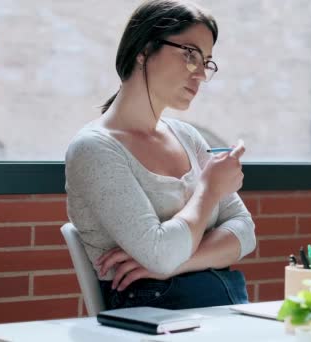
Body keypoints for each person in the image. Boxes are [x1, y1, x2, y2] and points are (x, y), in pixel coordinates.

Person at [64, 0, 256, 310]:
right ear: (144, 49)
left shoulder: (187, 137)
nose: (201, 75)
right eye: (189, 54)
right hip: (152, 321)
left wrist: (176, 264)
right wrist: (209, 188)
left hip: (218, 310)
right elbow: (161, 254)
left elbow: (245, 234)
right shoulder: (95, 149)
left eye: (206, 62)